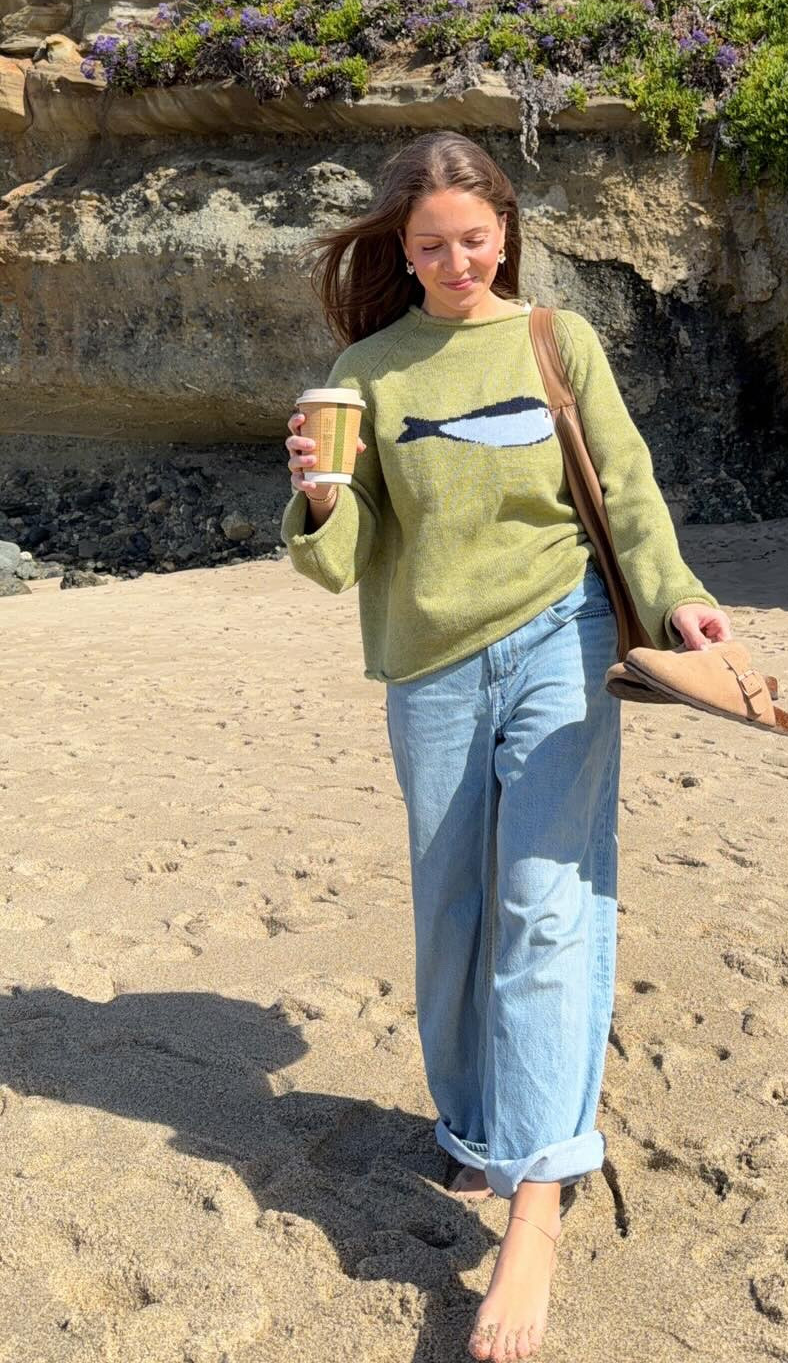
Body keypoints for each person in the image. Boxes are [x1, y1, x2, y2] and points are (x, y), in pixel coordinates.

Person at [282, 130, 731, 1361]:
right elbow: (338, 561)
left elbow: (626, 486)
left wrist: (674, 593)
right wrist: (320, 495)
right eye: (432, 244)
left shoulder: (555, 340)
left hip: (560, 635)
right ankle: (478, 1131)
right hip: (426, 663)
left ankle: (537, 1205)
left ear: (506, 233)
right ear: (399, 247)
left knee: (543, 903)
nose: (457, 261)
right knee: (454, 911)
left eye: (476, 239)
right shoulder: (366, 368)